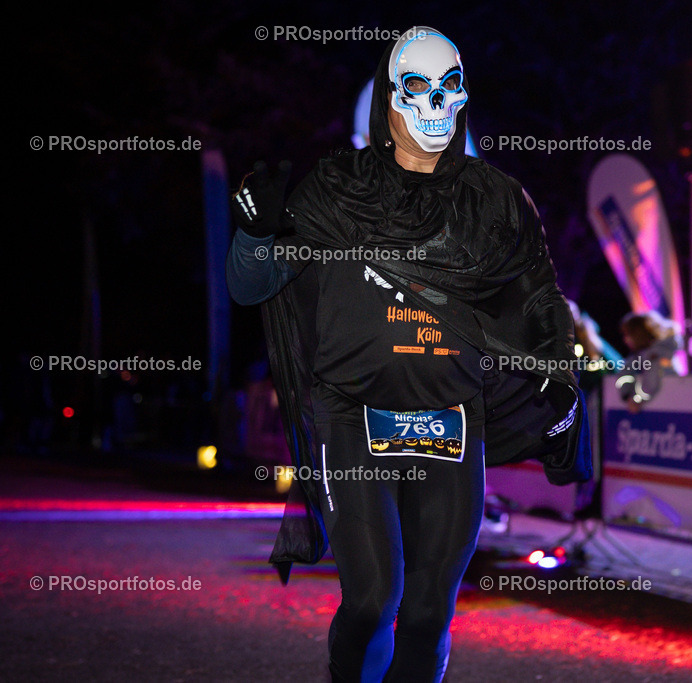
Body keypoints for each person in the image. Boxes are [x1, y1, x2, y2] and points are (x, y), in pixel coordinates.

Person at [226, 26, 590, 683]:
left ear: (466, 97)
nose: (434, 106)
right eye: (416, 89)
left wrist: (561, 394)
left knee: (426, 614)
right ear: (388, 104)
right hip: (352, 417)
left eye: (450, 87)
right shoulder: (335, 189)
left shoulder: (498, 201)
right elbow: (254, 284)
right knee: (372, 600)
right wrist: (254, 232)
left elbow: (540, 307)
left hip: (453, 421)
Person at [616, 310, 683, 411]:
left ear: (638, 334)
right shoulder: (639, 355)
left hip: (669, 405)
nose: (625, 340)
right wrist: (627, 395)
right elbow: (626, 371)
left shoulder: (655, 355)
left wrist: (636, 400)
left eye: (628, 335)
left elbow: (651, 382)